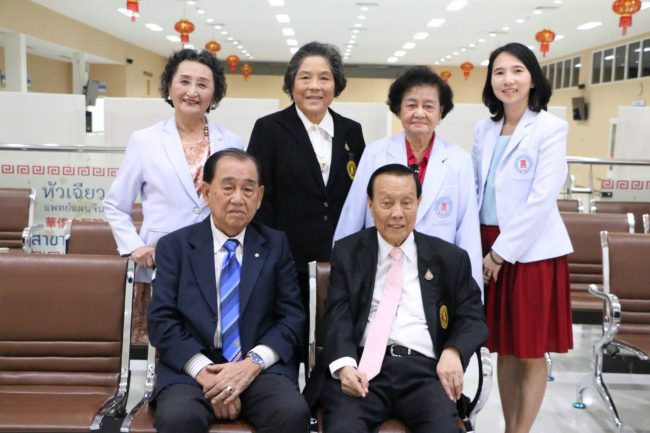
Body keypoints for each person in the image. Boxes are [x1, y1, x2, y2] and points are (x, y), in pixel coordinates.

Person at [304, 164, 487, 433]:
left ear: (419, 202)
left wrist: (453, 351)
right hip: (362, 370)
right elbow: (337, 317)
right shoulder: (348, 252)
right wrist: (345, 367)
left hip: (424, 373)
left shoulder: (449, 258)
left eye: (407, 203)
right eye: (387, 203)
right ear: (370, 204)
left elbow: (473, 317)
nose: (397, 213)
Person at [148, 149, 310, 433]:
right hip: (192, 369)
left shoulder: (276, 245)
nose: (238, 198)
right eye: (228, 187)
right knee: (177, 418)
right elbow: (161, 321)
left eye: (248, 189)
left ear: (259, 197)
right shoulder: (175, 247)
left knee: (291, 413)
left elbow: (292, 319)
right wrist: (206, 373)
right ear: (206, 192)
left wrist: (251, 365)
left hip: (257, 369)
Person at [103, 49, 242, 345]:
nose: (192, 92)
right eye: (184, 81)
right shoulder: (145, 140)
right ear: (170, 87)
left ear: (214, 95)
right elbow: (115, 205)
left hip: (215, 261)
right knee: (163, 345)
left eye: (203, 84)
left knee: (211, 343)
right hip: (159, 261)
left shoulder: (231, 142)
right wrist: (134, 246)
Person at [472, 42, 573, 433]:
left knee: (530, 350)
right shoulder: (484, 129)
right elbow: (477, 190)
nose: (508, 80)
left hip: (530, 253)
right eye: (499, 72)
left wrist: (500, 254)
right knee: (504, 348)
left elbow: (541, 199)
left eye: (517, 71)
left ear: (533, 78)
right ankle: (508, 427)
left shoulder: (549, 128)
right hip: (487, 245)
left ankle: (520, 431)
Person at [333, 66, 482, 290]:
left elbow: (467, 229)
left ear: (441, 111)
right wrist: (339, 276)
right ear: (398, 108)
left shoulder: (459, 160)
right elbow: (353, 216)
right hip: (379, 267)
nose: (419, 113)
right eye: (411, 105)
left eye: (429, 106)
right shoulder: (375, 153)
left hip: (439, 271)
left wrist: (472, 293)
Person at [247, 41, 365, 310]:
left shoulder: (351, 131)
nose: (314, 86)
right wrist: (268, 254)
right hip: (285, 260)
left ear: (336, 84)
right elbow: (258, 198)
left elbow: (359, 196)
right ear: (291, 83)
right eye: (305, 77)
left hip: (341, 261)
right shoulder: (269, 129)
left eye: (324, 78)